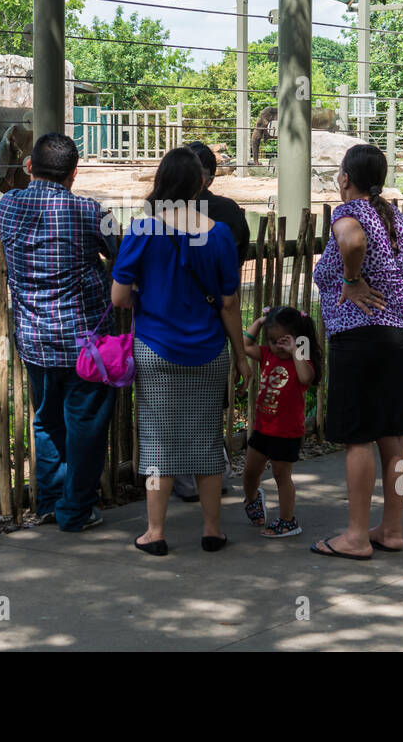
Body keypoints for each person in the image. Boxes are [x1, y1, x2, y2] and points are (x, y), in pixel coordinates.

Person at [111, 147, 252, 555]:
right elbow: (228, 302)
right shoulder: (220, 233)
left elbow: (119, 297)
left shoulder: (142, 229)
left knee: (158, 442)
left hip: (156, 350)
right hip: (209, 351)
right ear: (199, 184)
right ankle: (212, 530)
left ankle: (155, 534)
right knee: (207, 440)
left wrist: (147, 290)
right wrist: (241, 356)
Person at [310, 144, 403, 560]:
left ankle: (355, 535)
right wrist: (401, 280)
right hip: (402, 335)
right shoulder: (394, 219)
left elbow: (351, 243)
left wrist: (352, 280)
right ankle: (392, 528)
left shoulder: (347, 213)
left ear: (345, 179)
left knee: (357, 438)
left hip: (361, 335)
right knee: (394, 434)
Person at [0, 133, 116, 531]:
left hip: (34, 340)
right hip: (86, 345)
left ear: (30, 166)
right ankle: (76, 509)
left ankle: (49, 501)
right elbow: (122, 248)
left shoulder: (7, 206)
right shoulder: (90, 210)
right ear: (74, 173)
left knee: (47, 420)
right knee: (86, 425)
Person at [170, 141, 251, 503]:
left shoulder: (159, 215)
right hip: (214, 318)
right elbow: (234, 270)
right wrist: (240, 351)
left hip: (168, 323)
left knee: (172, 404)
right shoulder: (227, 213)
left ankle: (185, 477)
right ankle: (211, 473)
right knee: (208, 401)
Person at [239, 306, 320, 538]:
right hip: (263, 428)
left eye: (282, 340)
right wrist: (260, 321)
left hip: (287, 432)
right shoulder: (267, 354)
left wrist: (295, 350)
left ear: (295, 339)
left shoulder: (301, 360)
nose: (276, 346)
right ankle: (253, 499)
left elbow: (306, 378)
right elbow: (245, 345)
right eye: (272, 340)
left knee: (281, 476)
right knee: (250, 472)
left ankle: (288, 521)